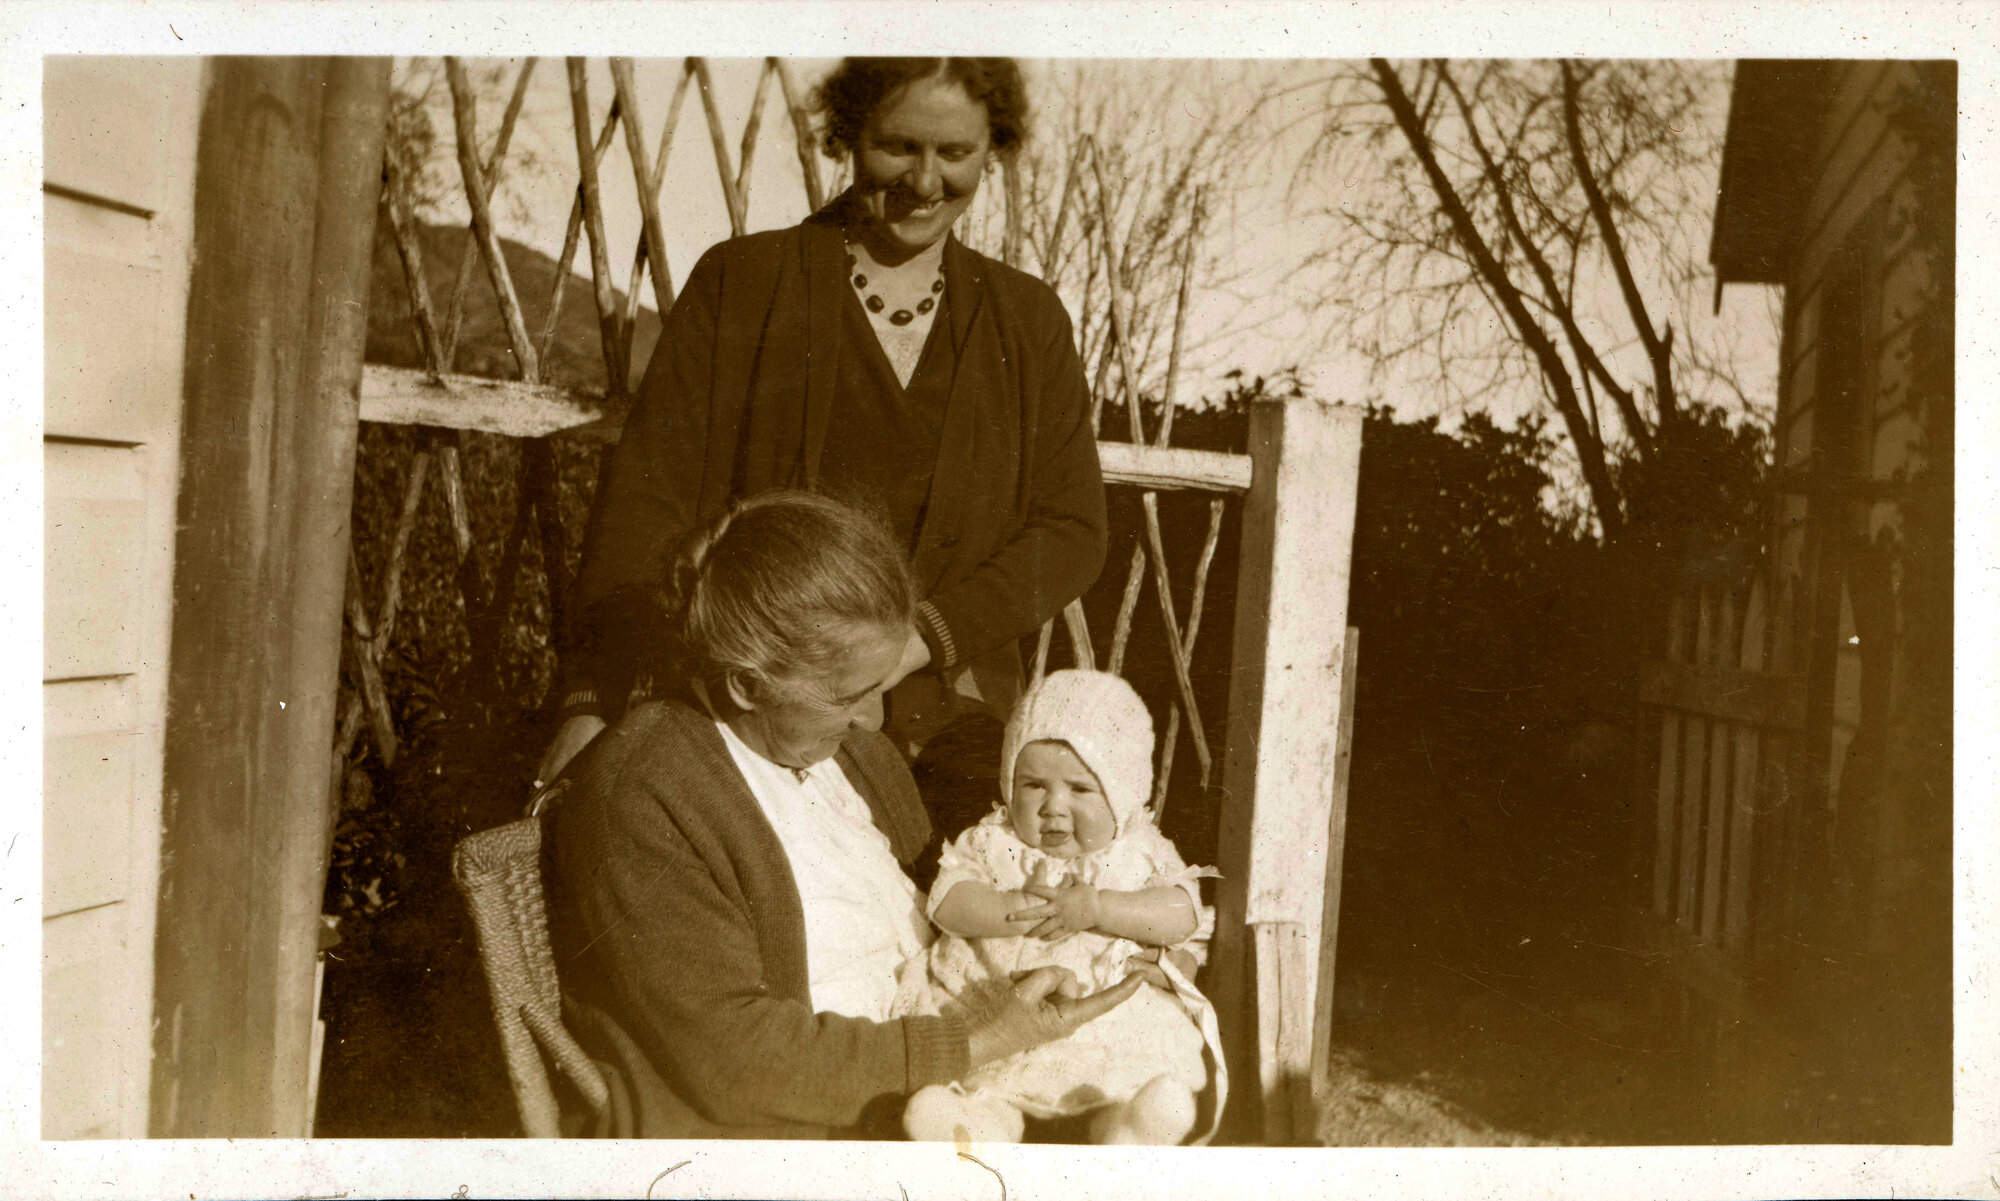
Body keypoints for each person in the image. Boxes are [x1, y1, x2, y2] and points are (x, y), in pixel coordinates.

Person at [539, 56, 1107, 784]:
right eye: (898, 146)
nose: (925, 182)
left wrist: (919, 639)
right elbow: (645, 506)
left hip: (949, 723)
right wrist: (594, 698)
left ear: (991, 151)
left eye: (955, 152)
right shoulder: (742, 285)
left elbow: (1072, 529)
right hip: (748, 714)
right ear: (848, 135)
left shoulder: (1026, 323)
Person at [546, 492, 1140, 1139]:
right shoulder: (644, 791)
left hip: (946, 1079)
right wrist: (975, 1039)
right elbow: (738, 1062)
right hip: (792, 1137)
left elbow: (941, 909)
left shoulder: (851, 755)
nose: (870, 718)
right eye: (846, 695)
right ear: (747, 684)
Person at [900, 670, 1226, 1146]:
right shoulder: (994, 841)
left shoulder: (1137, 851)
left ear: (1122, 794)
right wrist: (1012, 906)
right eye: (1032, 785)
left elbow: (1182, 913)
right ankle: (982, 1125)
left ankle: (1127, 1126)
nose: (1053, 806)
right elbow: (947, 903)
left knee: (1130, 1081)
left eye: (1079, 789)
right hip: (995, 1005)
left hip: (1107, 1025)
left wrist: (1100, 907)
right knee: (985, 1080)